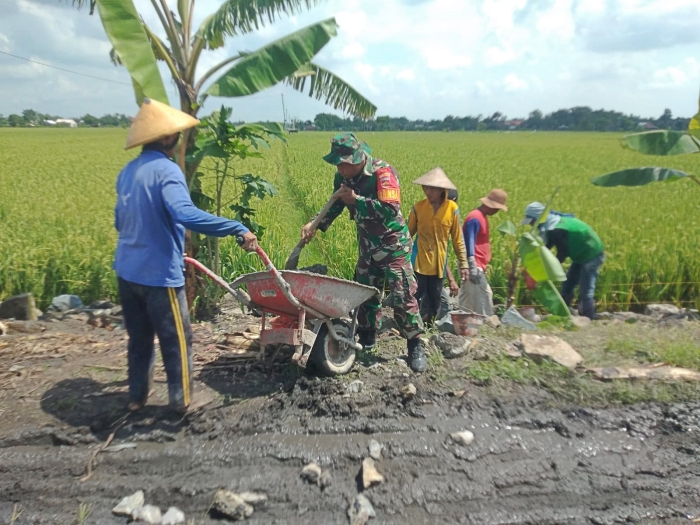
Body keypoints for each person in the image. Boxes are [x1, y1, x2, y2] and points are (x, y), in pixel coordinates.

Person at [114, 98, 258, 414]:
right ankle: (182, 402)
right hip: (158, 276)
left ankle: (136, 398)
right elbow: (185, 214)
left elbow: (118, 221)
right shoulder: (167, 170)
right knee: (178, 340)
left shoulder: (128, 171)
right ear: (168, 138)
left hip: (126, 272)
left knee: (139, 340)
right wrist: (236, 227)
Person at [300, 133, 427, 372]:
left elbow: (390, 209)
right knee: (366, 295)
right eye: (337, 163)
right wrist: (315, 224)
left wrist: (356, 199)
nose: (339, 168)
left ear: (357, 158)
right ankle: (367, 339)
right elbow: (337, 203)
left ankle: (415, 345)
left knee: (402, 296)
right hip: (367, 246)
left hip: (393, 246)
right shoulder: (342, 176)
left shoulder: (382, 172)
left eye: (343, 163)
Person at [522, 202, 605, 320]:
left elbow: (562, 252)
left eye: (531, 221)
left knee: (586, 287)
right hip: (579, 254)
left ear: (539, 219)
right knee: (568, 283)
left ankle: (588, 316)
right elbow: (546, 247)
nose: (530, 224)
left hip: (592, 252)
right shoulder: (550, 226)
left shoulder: (556, 229)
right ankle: (564, 312)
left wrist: (549, 270)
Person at [408, 168, 468, 323]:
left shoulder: (452, 209)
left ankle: (428, 327)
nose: (427, 191)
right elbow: (407, 235)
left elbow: (457, 239)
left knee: (435, 300)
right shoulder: (418, 208)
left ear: (442, 190)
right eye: (425, 187)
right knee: (413, 296)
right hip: (419, 261)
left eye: (432, 188)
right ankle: (410, 327)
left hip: (438, 264)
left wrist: (464, 263)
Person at [458, 189, 509, 316]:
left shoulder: (481, 217)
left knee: (467, 299)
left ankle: (463, 323)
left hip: (477, 264)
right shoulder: (475, 218)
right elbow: (469, 242)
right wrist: (472, 266)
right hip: (473, 264)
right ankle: (485, 323)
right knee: (483, 295)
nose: (497, 211)